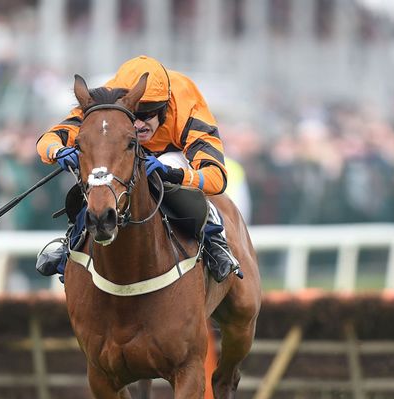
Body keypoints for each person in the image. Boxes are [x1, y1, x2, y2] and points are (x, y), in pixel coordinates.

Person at [35, 55, 241, 282]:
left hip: (172, 158)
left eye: (148, 115)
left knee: (171, 161)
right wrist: (57, 151)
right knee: (99, 170)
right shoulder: (109, 101)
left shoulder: (187, 105)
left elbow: (216, 178)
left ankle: (214, 239)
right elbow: (51, 138)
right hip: (124, 152)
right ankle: (72, 242)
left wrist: (172, 173)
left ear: (164, 108)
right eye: (135, 116)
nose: (140, 125)